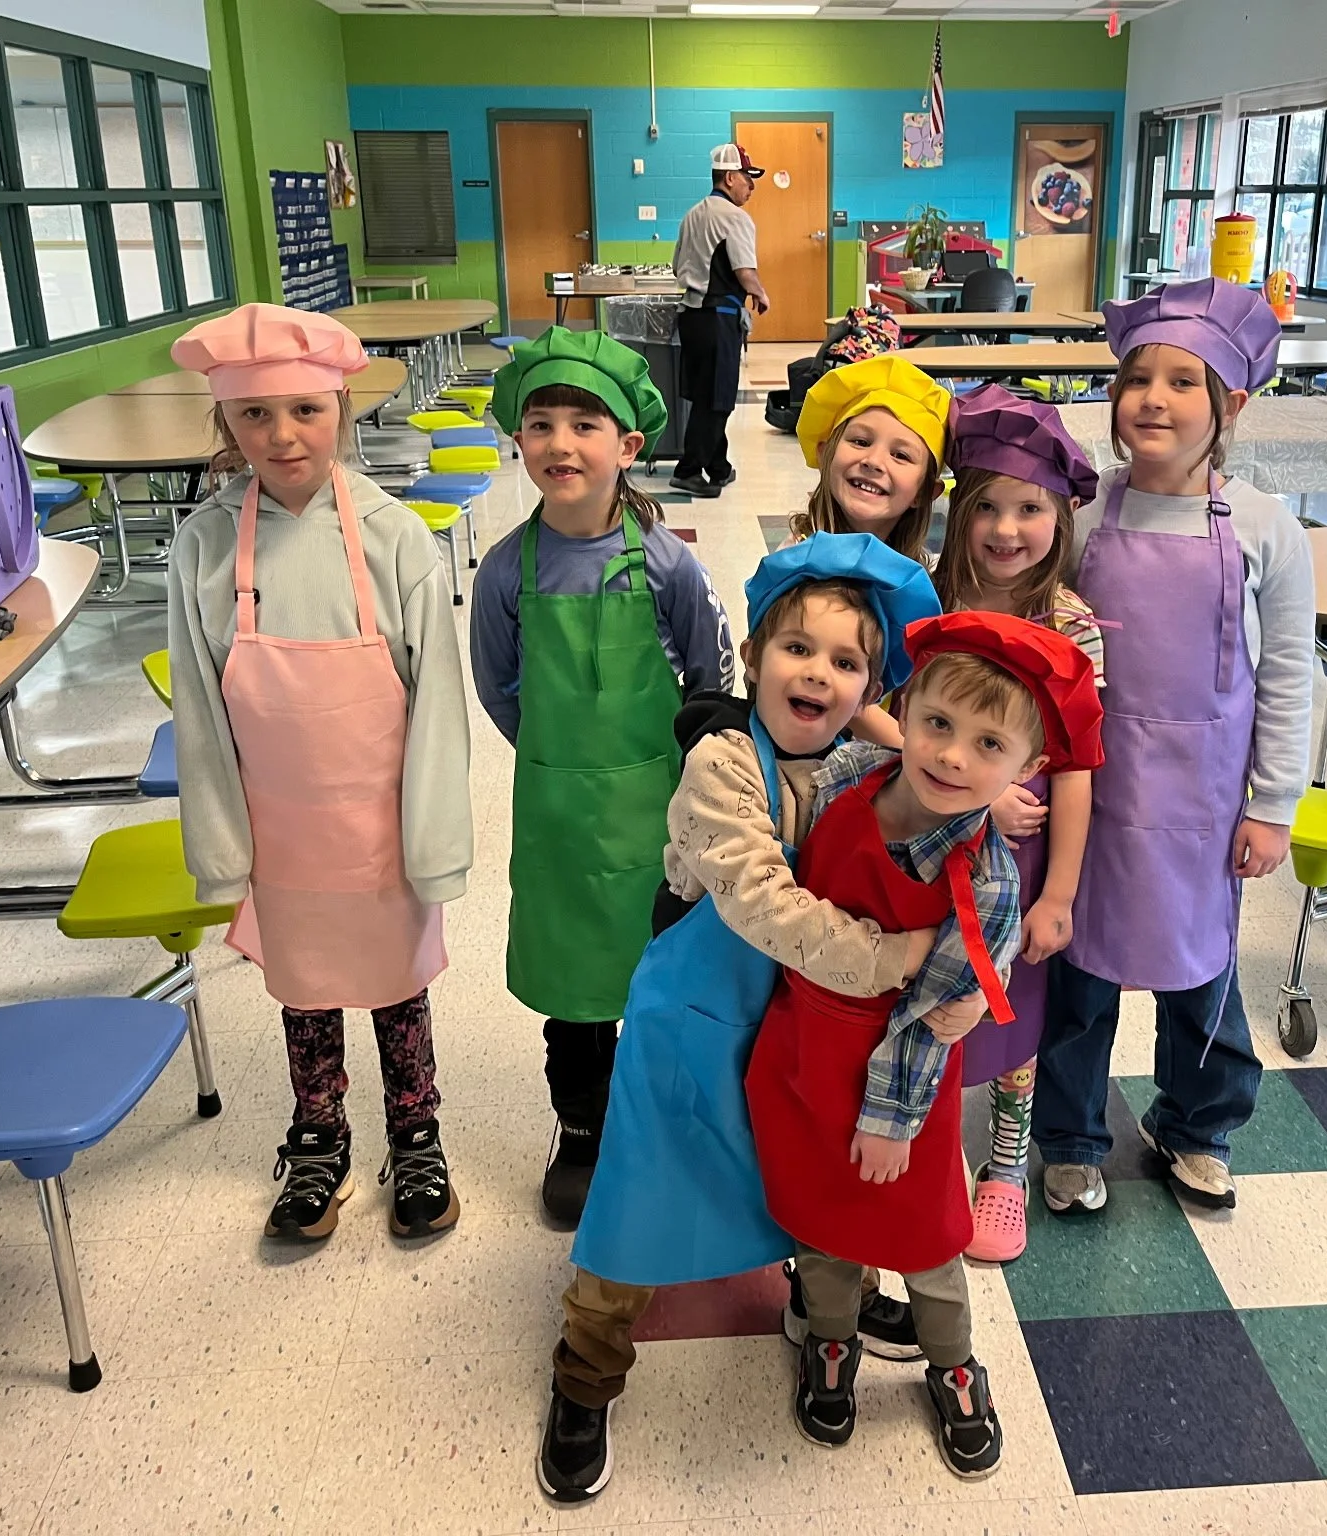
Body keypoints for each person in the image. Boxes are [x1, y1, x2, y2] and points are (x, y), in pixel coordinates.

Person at [538, 532, 942, 1505]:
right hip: (692, 1025)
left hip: (797, 1026)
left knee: (808, 1173)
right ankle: (586, 1370)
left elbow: (946, 818)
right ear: (754, 657)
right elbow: (762, 902)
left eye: (846, 661)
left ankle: (827, 1298)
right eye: (796, 648)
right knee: (640, 1196)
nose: (817, 673)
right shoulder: (721, 765)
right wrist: (893, 960)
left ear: (871, 690)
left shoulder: (861, 768)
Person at [745, 611, 1104, 1481]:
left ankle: (953, 1364)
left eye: (989, 746)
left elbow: (928, 1020)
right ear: (902, 714)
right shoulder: (849, 777)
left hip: (898, 1091)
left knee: (929, 1243)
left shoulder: (987, 882)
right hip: (803, 1054)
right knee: (821, 1228)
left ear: (1027, 771)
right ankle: (832, 1340)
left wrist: (890, 1122)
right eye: (938, 723)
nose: (951, 756)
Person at [166, 303, 473, 1243]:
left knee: (395, 980)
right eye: (254, 415)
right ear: (226, 424)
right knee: (303, 986)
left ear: (340, 408)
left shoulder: (393, 538)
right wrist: (221, 849)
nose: (283, 435)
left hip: (382, 824)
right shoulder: (204, 546)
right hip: (280, 829)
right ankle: (319, 1135)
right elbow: (200, 715)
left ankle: (415, 1130)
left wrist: (434, 840)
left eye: (305, 410)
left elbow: (438, 709)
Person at [1036, 277, 1316, 1216]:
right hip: (1096, 793)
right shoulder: (1084, 519)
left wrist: (1274, 805)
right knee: (1080, 973)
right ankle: (1071, 1137)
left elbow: (1289, 678)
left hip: (1206, 799)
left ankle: (1197, 1126)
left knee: (1202, 972)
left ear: (1232, 404)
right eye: (1137, 379)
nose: (1153, 399)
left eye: (1182, 381)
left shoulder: (1268, 529)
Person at [468, 327, 735, 1228]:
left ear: (627, 446)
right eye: (541, 424)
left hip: (661, 816)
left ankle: (661, 1123)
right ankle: (582, 1131)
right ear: (519, 441)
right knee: (575, 995)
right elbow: (499, 690)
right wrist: (559, 761)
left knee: (663, 977)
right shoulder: (506, 571)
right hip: (560, 821)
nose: (561, 443)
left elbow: (711, 680)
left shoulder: (666, 562)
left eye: (586, 425)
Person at [932, 385, 1104, 1264]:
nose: (1006, 529)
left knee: (1015, 1009)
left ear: (1061, 518)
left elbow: (1075, 768)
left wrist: (1060, 895)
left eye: (1029, 508)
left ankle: (1004, 1165)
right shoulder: (925, 599)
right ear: (957, 512)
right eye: (987, 507)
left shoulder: (1072, 624)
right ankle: (925, 1137)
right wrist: (976, 795)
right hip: (928, 847)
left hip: (1025, 863)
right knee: (927, 996)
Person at [669, 142, 771, 499]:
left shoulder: (692, 214)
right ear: (729, 177)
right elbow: (744, 270)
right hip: (718, 317)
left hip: (691, 317)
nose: (751, 186)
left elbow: (676, 266)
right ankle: (687, 471)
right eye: (747, 177)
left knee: (705, 395)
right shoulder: (735, 217)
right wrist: (760, 293)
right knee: (718, 400)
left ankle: (718, 466)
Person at [789, 355, 951, 568]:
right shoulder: (791, 568)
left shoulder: (914, 577)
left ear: (925, 491)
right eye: (860, 442)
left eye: (900, 455)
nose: (873, 461)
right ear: (825, 454)